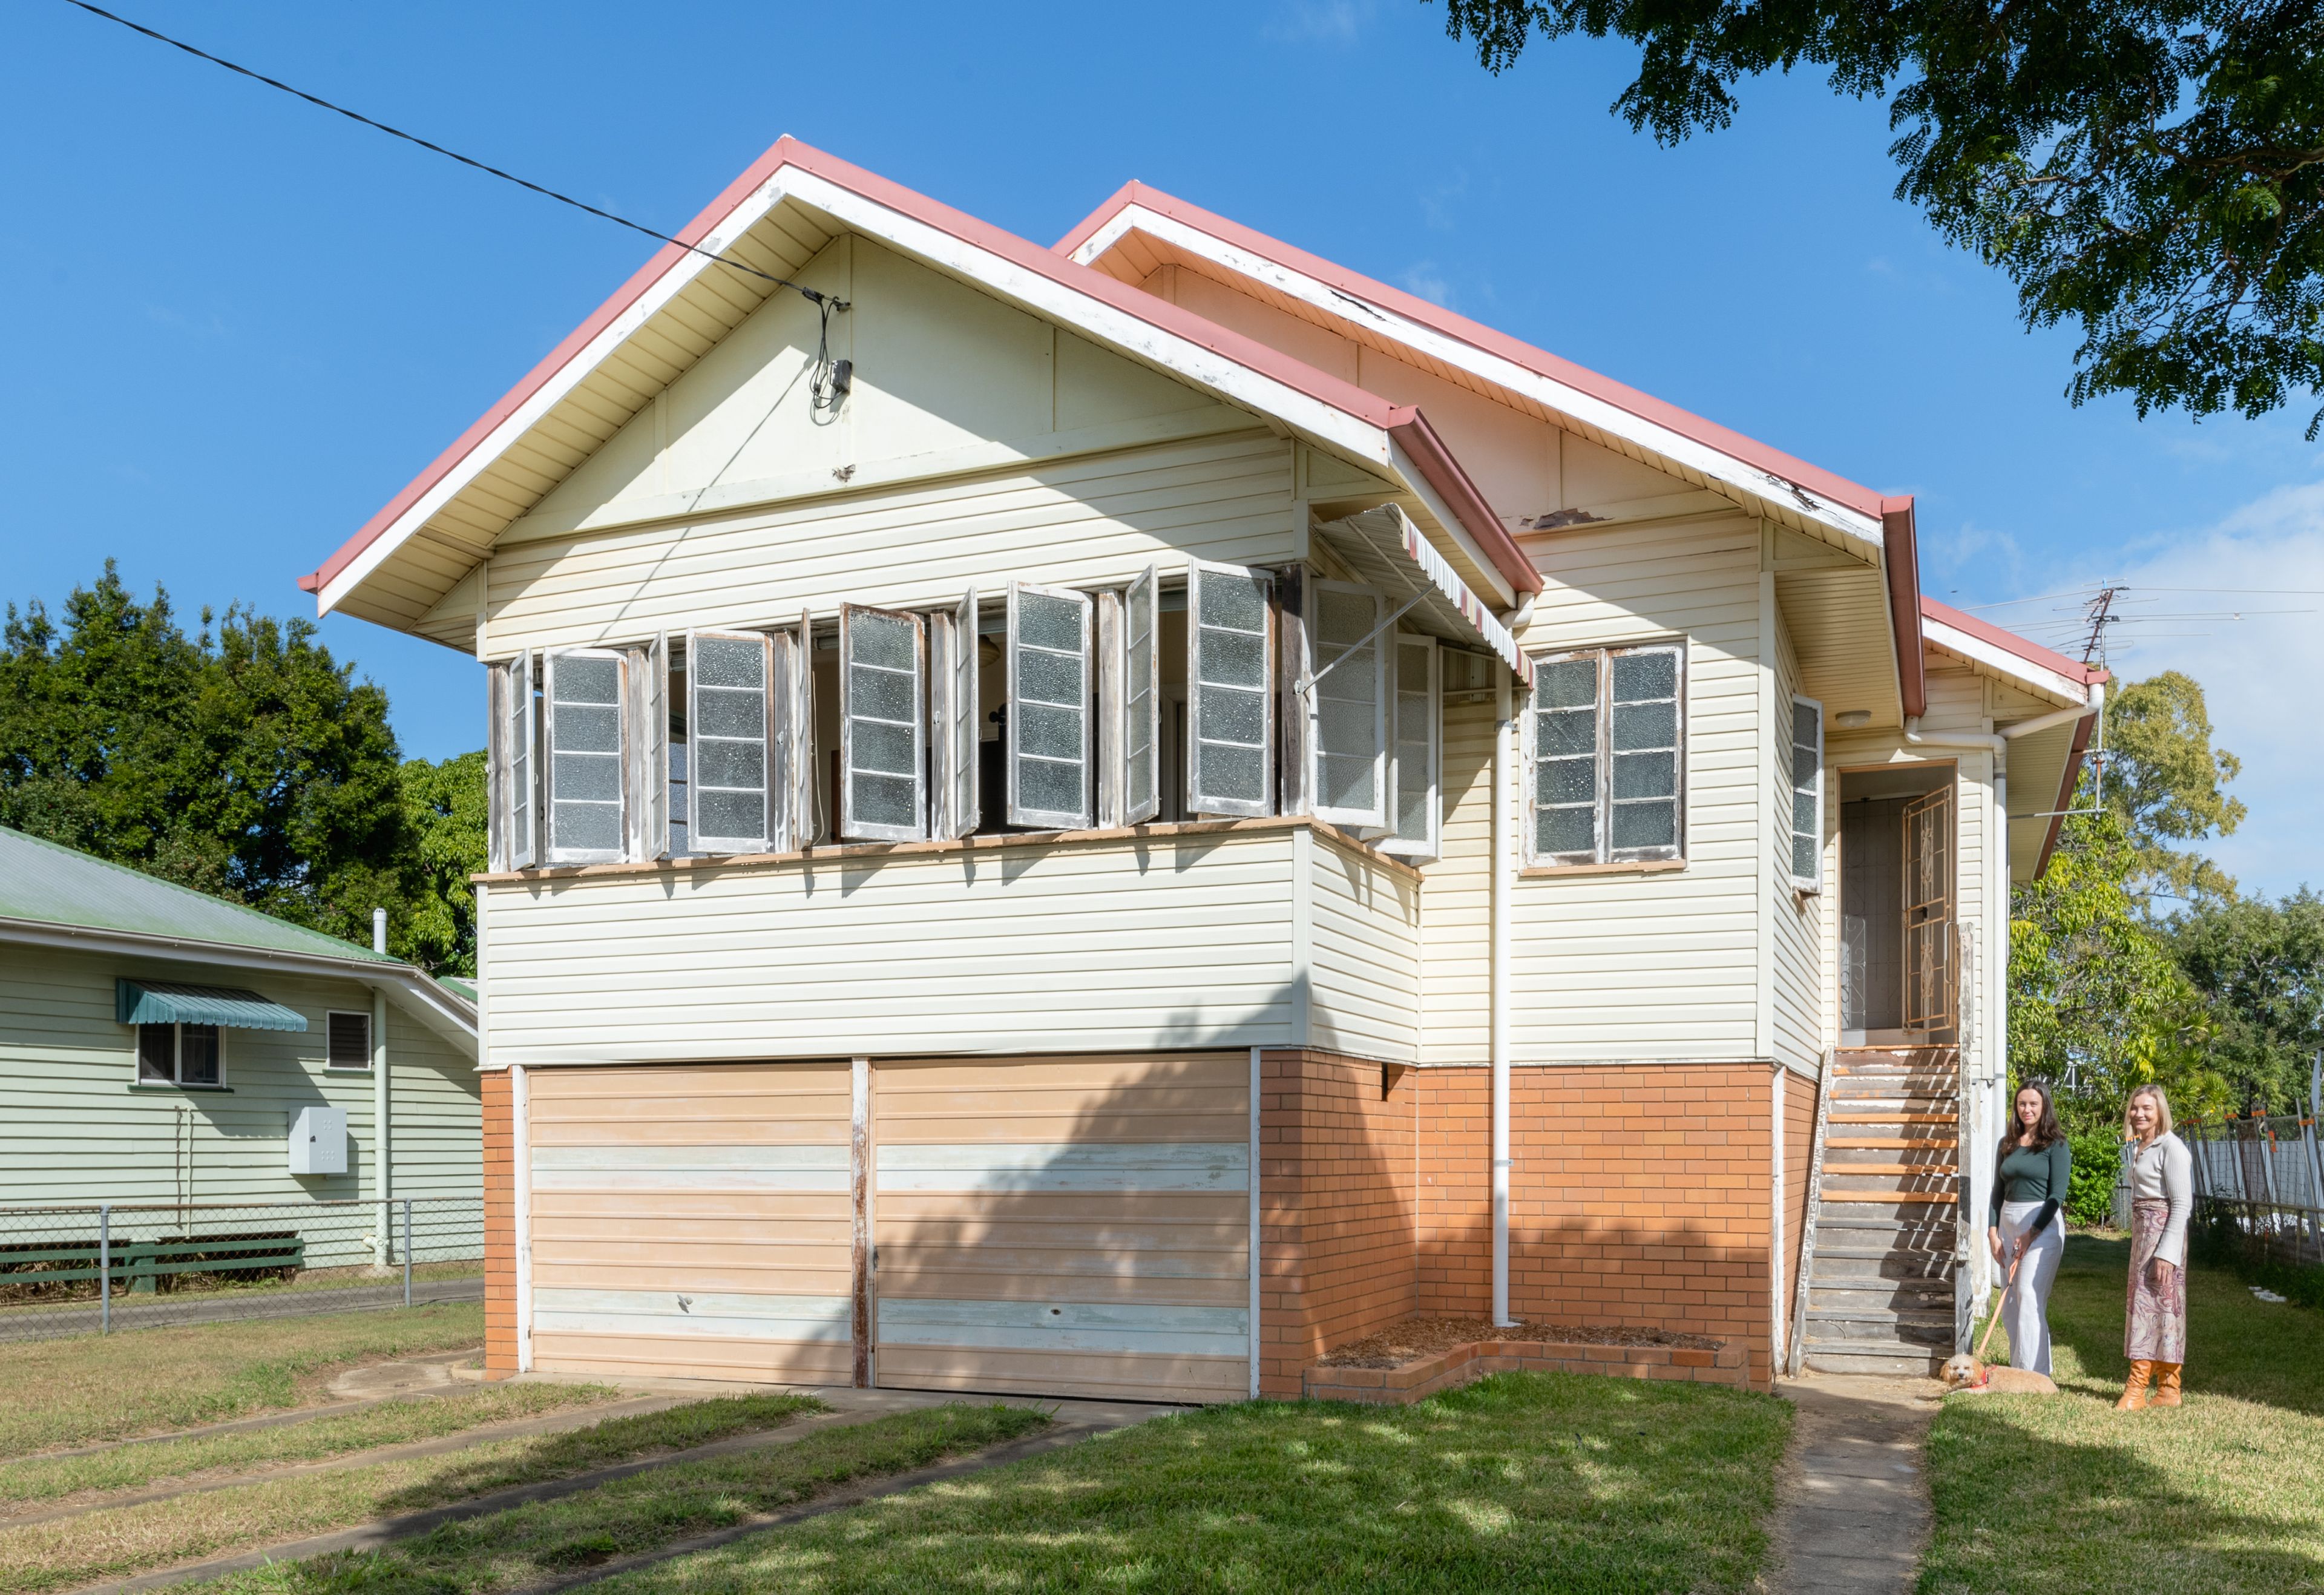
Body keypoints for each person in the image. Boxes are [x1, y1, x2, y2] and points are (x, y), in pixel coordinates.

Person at [1988, 1080, 2070, 1378]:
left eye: (2034, 1104)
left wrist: (2030, 1233)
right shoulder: (2007, 1144)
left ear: (2044, 1106)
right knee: (2010, 1303)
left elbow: (2056, 1197)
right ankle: (2018, 1368)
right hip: (2008, 1225)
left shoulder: (2056, 1145)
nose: (2027, 1109)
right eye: (2022, 1104)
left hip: (2041, 1227)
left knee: (2028, 1295)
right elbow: (1997, 1191)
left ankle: (2036, 1375)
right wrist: (1992, 1233)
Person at [2118, 1083, 2192, 1410]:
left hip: (2163, 1237)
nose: (2139, 1114)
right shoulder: (2142, 1146)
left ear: (2160, 1111)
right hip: (2143, 1237)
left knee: (2163, 1308)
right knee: (2144, 1306)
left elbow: (2182, 1204)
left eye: (2147, 1108)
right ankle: (2164, 1390)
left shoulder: (2171, 1147)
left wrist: (2167, 1252)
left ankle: (2145, 1389)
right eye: (2135, 1108)